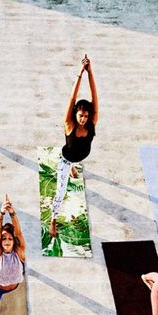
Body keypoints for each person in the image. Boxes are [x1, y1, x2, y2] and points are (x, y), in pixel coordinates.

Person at [49, 54, 98, 237]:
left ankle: (73, 167)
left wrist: (90, 72)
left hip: (80, 156)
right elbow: (72, 98)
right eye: (80, 115)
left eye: (85, 116)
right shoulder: (69, 124)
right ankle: (53, 220)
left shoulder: (92, 121)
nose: (83, 119)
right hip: (66, 157)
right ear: (75, 114)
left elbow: (94, 96)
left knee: (75, 163)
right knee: (60, 191)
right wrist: (80, 72)